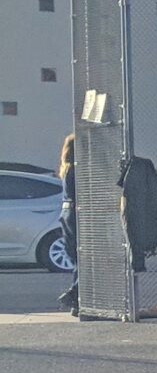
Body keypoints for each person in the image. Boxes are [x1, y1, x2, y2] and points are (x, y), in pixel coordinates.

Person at [55, 132, 78, 311]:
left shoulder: (66, 168)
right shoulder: (76, 169)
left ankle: (77, 300)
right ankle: (74, 294)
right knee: (84, 256)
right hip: (75, 211)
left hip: (66, 211)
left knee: (78, 257)